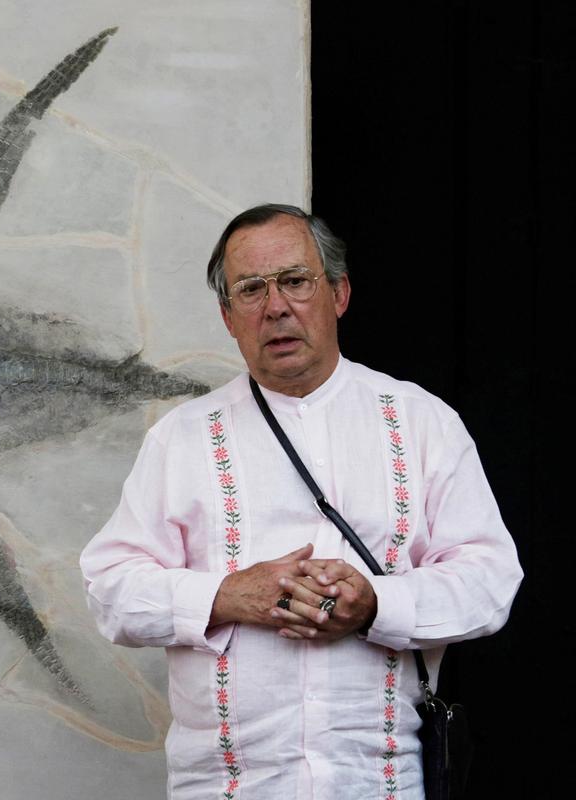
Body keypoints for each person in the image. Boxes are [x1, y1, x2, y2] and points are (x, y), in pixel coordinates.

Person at [79, 204, 522, 799]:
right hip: (227, 787)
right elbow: (111, 589)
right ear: (228, 316)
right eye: (251, 289)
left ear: (338, 293)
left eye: (294, 281)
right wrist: (229, 594)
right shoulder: (182, 438)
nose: (276, 307)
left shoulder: (420, 421)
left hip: (380, 783)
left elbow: (491, 580)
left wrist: (374, 604)